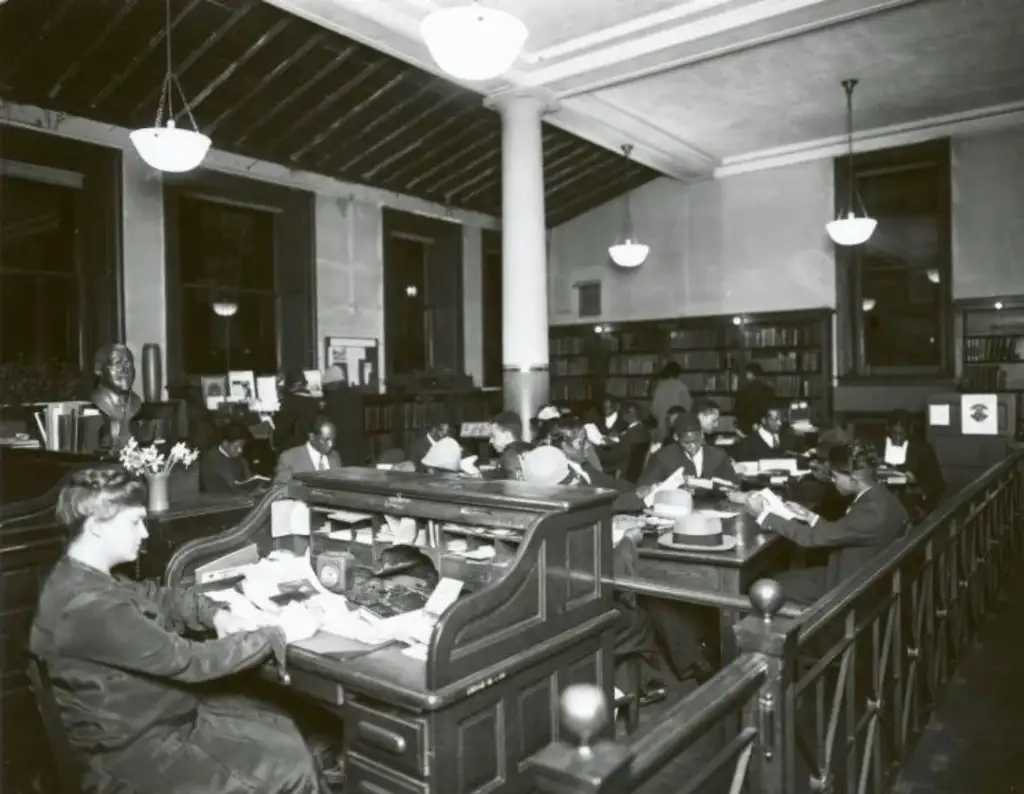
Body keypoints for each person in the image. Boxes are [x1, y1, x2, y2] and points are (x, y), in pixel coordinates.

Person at [29, 467, 325, 794]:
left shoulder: (78, 577)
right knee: (289, 765)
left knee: (277, 728)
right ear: (97, 525)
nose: (144, 533)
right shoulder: (91, 608)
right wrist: (278, 632)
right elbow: (189, 661)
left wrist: (213, 615)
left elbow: (156, 596)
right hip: (136, 756)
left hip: (141, 723)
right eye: (134, 522)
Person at [747, 441, 909, 605]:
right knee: (781, 577)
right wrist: (810, 516)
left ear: (853, 479)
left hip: (848, 590)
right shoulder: (882, 497)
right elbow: (844, 531)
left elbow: (810, 538)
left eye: (835, 476)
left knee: (767, 587)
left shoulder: (871, 513)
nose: (832, 480)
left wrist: (765, 515)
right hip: (855, 574)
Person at [638, 412, 738, 487]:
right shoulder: (662, 458)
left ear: (702, 435)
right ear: (676, 437)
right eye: (687, 443)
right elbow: (643, 489)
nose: (693, 446)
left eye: (697, 441)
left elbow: (735, 486)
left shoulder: (718, 456)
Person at [884, 409, 945, 513]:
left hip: (917, 507)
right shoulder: (882, 448)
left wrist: (917, 484)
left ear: (909, 431)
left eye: (902, 434)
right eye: (894, 433)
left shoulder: (923, 450)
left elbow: (938, 483)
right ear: (888, 430)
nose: (898, 438)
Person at [200, 421, 268, 494]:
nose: (240, 450)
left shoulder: (238, 457)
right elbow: (235, 487)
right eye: (236, 446)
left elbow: (247, 478)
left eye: (242, 446)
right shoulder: (214, 460)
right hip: (223, 502)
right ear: (225, 443)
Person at [273, 416, 341, 484]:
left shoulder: (334, 457)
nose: (330, 444)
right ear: (312, 437)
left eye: (333, 439)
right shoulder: (289, 458)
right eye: (325, 440)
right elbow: (280, 489)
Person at [601, 402, 651, 482]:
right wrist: (619, 438)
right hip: (635, 472)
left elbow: (611, 457)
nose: (622, 417)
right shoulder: (644, 432)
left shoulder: (629, 436)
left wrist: (594, 449)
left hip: (622, 472)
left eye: (623, 414)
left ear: (630, 414)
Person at [650, 362, 693, 440]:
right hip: (678, 425)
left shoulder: (660, 388)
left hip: (662, 425)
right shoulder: (681, 387)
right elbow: (688, 407)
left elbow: (654, 410)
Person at [733, 363, 775, 435]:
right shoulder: (769, 390)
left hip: (748, 427)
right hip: (766, 426)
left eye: (747, 373)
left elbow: (739, 411)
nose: (746, 376)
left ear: (752, 374)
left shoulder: (744, 391)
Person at [488, 411, 532, 480]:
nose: (490, 441)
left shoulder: (509, 454)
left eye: (493, 436)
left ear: (507, 434)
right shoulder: (531, 449)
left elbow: (515, 486)